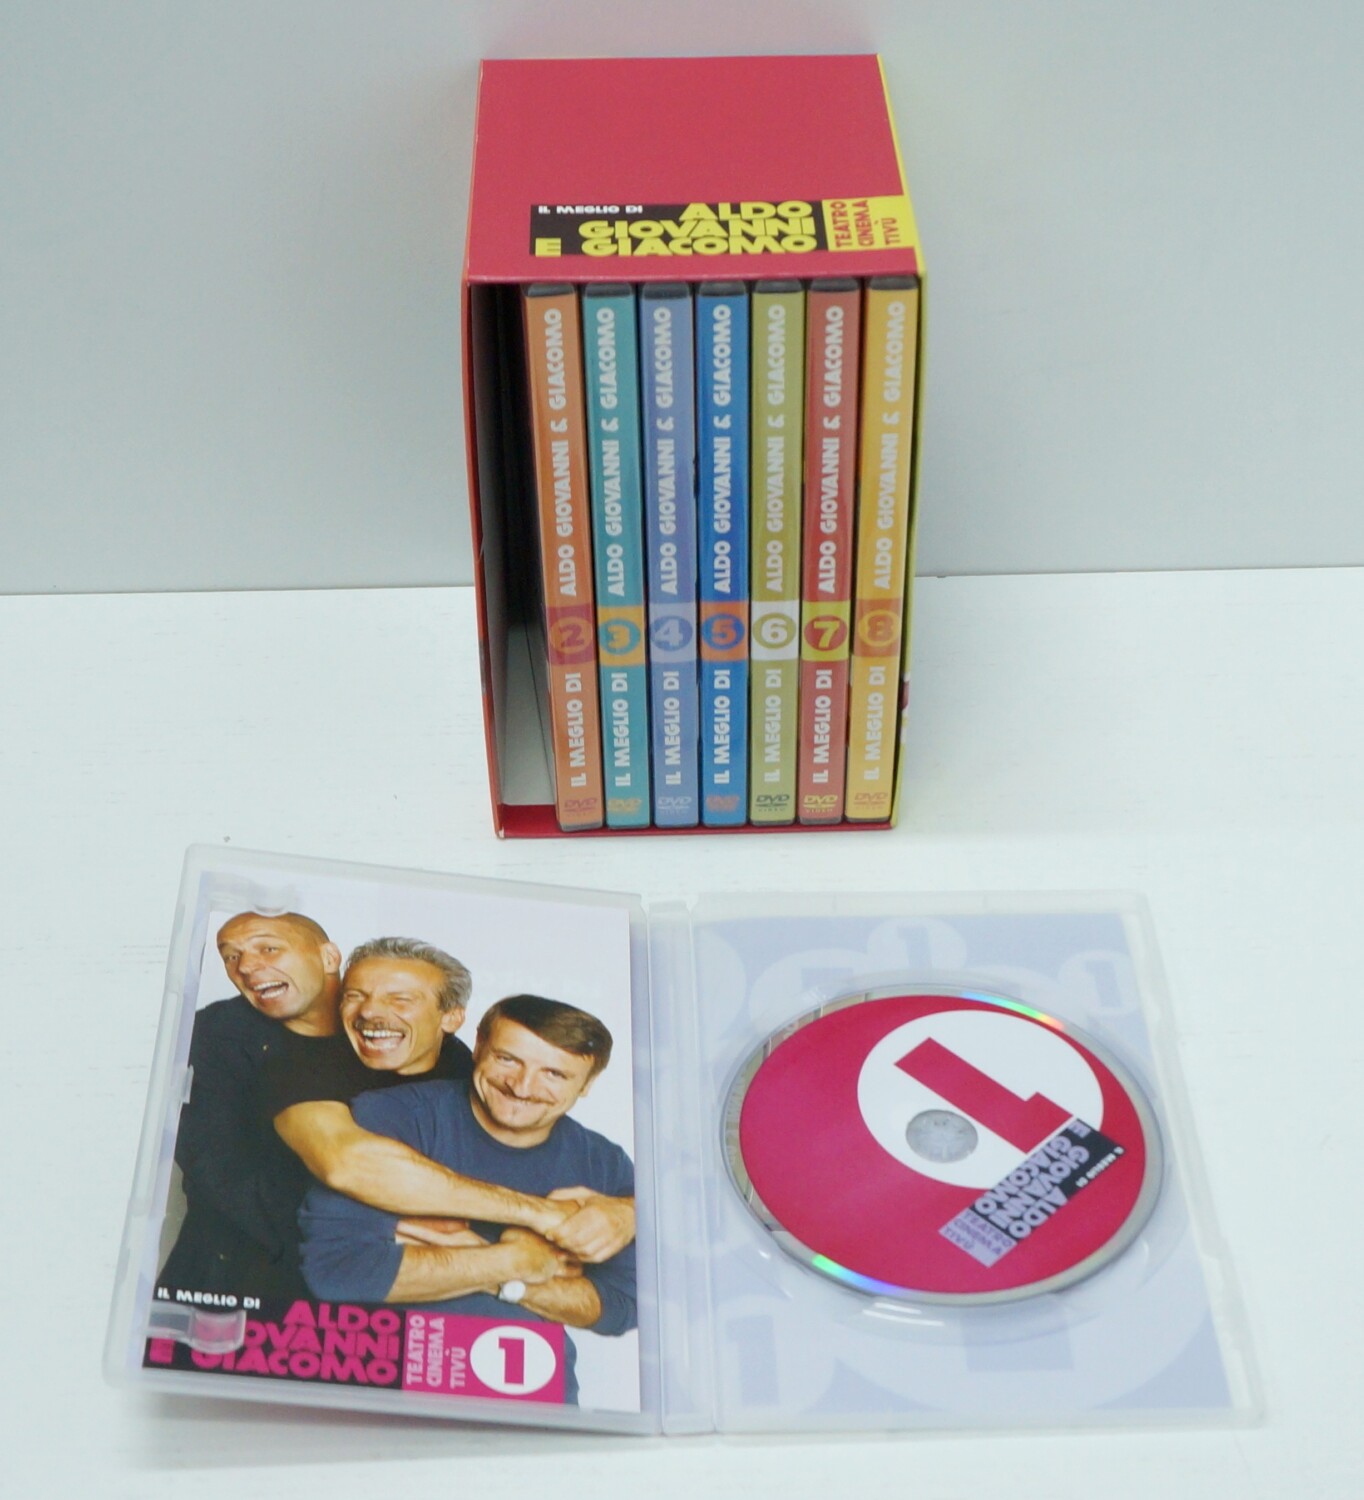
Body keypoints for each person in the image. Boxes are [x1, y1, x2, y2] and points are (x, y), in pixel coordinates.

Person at [157, 915, 632, 1303]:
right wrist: (532, 1227)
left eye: (400, 999)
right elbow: (347, 1164)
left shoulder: (470, 1072)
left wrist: (627, 1213)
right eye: (356, 996)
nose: (370, 1012)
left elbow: (538, 1155)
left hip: (409, 1323)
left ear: (451, 1019)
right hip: (248, 1285)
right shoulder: (296, 1065)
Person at [298, 996, 636, 1405]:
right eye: (507, 1059)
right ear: (478, 1046)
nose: (522, 1087)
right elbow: (336, 1271)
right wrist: (515, 1260)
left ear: (587, 1085)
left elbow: (622, 1306)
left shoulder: (603, 1162)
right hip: (386, 1386)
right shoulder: (396, 1116)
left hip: (531, 1397)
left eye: (554, 1074)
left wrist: (504, 1277)